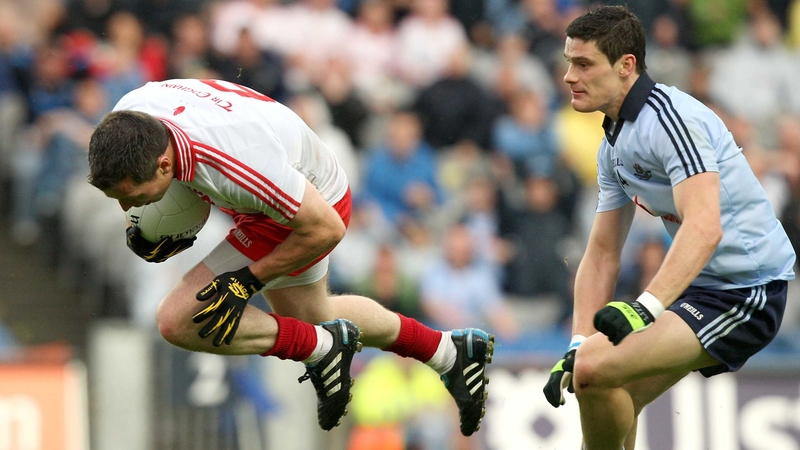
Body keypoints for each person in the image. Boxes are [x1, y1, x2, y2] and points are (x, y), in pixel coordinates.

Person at [86, 78, 494, 436]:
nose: (128, 209)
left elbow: (327, 227)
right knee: (314, 314)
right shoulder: (130, 116)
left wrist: (249, 279)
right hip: (272, 168)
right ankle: (449, 353)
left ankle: (323, 348)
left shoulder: (235, 163)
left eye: (132, 198)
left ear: (162, 164)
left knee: (177, 320)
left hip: (312, 203)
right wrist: (149, 221)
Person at [542, 6, 796, 450]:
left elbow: (704, 228)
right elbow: (601, 253)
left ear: (626, 66)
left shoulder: (673, 120)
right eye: (568, 62)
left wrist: (645, 308)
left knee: (594, 370)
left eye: (583, 64)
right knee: (597, 380)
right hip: (698, 288)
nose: (569, 76)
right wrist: (577, 340)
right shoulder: (614, 144)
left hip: (747, 291)